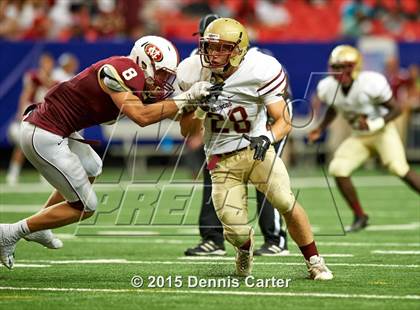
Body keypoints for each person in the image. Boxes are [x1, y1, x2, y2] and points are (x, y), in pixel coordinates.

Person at [0, 35, 213, 269]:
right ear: (144, 63)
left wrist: (198, 105)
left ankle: (43, 223)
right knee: (85, 207)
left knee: (93, 166)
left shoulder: (139, 82)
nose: (164, 81)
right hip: (43, 132)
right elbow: (141, 116)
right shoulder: (118, 70)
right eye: (161, 74)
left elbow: (180, 122)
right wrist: (185, 99)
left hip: (58, 131)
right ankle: (10, 232)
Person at [178, 18, 333, 280]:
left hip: (256, 149)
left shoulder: (259, 68)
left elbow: (283, 119)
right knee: (235, 231)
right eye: (209, 47)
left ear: (238, 50)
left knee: (284, 200)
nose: (213, 54)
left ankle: (315, 260)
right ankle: (244, 249)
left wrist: (268, 137)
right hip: (220, 159)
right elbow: (188, 132)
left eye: (222, 48)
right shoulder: (191, 72)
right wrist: (197, 103)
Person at [183, 14, 288, 257]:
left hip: (265, 122)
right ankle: (213, 238)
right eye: (204, 40)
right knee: (215, 181)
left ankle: (275, 239)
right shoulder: (196, 64)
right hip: (225, 129)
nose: (209, 48)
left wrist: (271, 131)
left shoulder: (257, 60)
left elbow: (280, 96)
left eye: (218, 42)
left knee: (267, 181)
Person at [308, 45, 420, 232]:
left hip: (382, 132)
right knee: (338, 168)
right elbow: (334, 107)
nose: (340, 71)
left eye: (345, 66)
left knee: (398, 168)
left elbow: (396, 109)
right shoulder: (327, 87)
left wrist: (374, 123)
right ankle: (360, 216)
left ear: (356, 67)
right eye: (336, 67)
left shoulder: (371, 82)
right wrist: (320, 128)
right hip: (359, 136)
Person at [6, 53, 56, 185]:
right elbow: (26, 94)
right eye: (45, 63)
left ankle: (45, 176)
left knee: (44, 145)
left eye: (49, 63)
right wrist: (21, 111)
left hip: (44, 116)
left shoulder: (54, 80)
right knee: (23, 144)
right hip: (32, 112)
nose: (48, 66)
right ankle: (13, 173)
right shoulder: (34, 77)